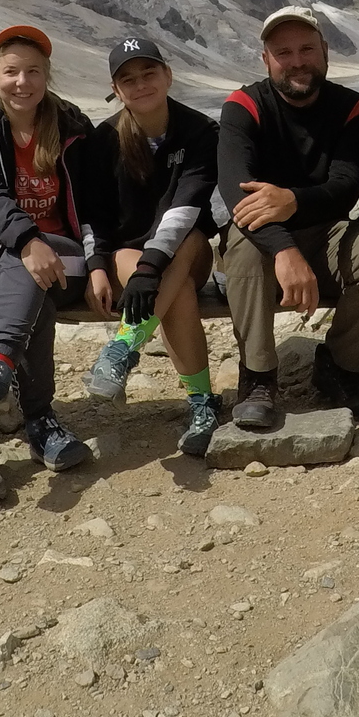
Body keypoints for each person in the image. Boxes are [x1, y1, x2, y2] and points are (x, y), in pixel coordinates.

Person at [218, 7, 359, 427]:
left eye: (306, 49)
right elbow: (236, 193)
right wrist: (284, 250)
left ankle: (342, 365)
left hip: (325, 230)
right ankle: (258, 376)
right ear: (266, 60)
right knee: (245, 252)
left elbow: (345, 187)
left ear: (325, 54)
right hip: (259, 236)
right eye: (283, 52)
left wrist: (292, 200)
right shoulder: (243, 106)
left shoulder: (352, 108)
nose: (297, 61)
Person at [0, 25, 106, 476]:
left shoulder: (72, 127)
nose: (23, 82)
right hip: (1, 258)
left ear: (46, 76)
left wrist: (96, 264)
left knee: (37, 271)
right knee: (33, 290)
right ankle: (40, 421)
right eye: (12, 71)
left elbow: (96, 206)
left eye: (33, 71)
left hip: (69, 257)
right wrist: (28, 241)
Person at [79, 35, 224, 457]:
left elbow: (187, 207)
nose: (141, 84)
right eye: (128, 79)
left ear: (168, 76)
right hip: (131, 260)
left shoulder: (200, 131)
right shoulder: (103, 141)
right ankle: (202, 403)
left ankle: (122, 347)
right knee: (174, 296)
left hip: (187, 251)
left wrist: (149, 268)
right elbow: (95, 216)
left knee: (188, 243)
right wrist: (97, 267)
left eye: (149, 73)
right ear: (116, 90)